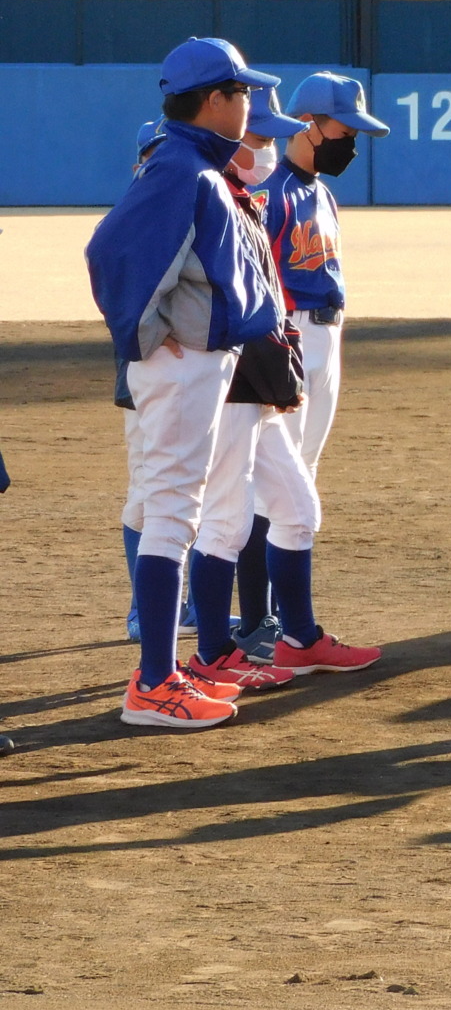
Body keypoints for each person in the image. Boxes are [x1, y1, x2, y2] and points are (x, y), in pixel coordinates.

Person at [86, 38, 284, 728]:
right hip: (182, 367)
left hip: (204, 360)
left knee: (180, 512)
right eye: (244, 92)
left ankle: (164, 676)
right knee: (172, 513)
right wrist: (141, 333)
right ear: (215, 100)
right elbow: (108, 251)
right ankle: (153, 685)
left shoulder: (194, 164)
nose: (252, 104)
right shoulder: (180, 165)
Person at [190, 87, 383, 683]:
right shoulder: (258, 195)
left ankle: (291, 632)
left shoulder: (319, 192)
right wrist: (275, 353)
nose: (349, 140)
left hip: (322, 332)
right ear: (308, 124)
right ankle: (251, 626)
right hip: (276, 340)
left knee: (298, 490)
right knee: (246, 498)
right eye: (341, 128)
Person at [117, 120, 171, 642]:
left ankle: (193, 607)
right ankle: (142, 611)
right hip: (143, 379)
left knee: (188, 493)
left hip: (187, 379)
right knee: (147, 494)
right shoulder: (136, 213)